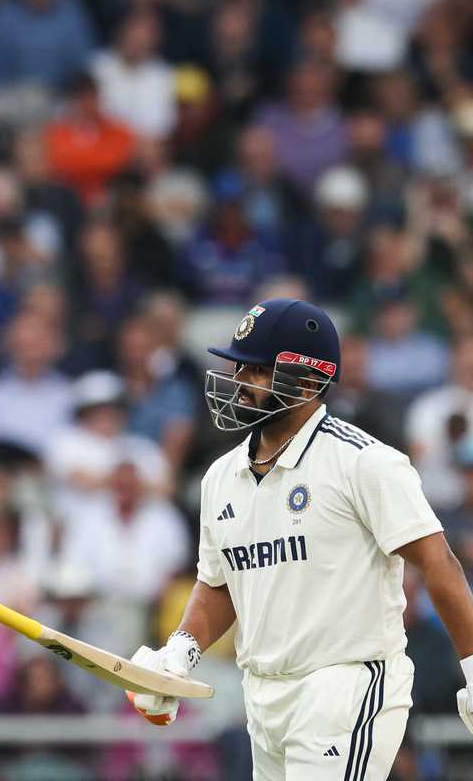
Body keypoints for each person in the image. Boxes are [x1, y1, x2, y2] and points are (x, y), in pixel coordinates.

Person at [129, 297, 473, 780]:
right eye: (239, 369)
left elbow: (438, 564)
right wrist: (179, 655)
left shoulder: (363, 462)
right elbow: (220, 584)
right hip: (264, 693)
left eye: (257, 371)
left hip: (346, 684)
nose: (240, 383)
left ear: (309, 380)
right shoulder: (219, 478)